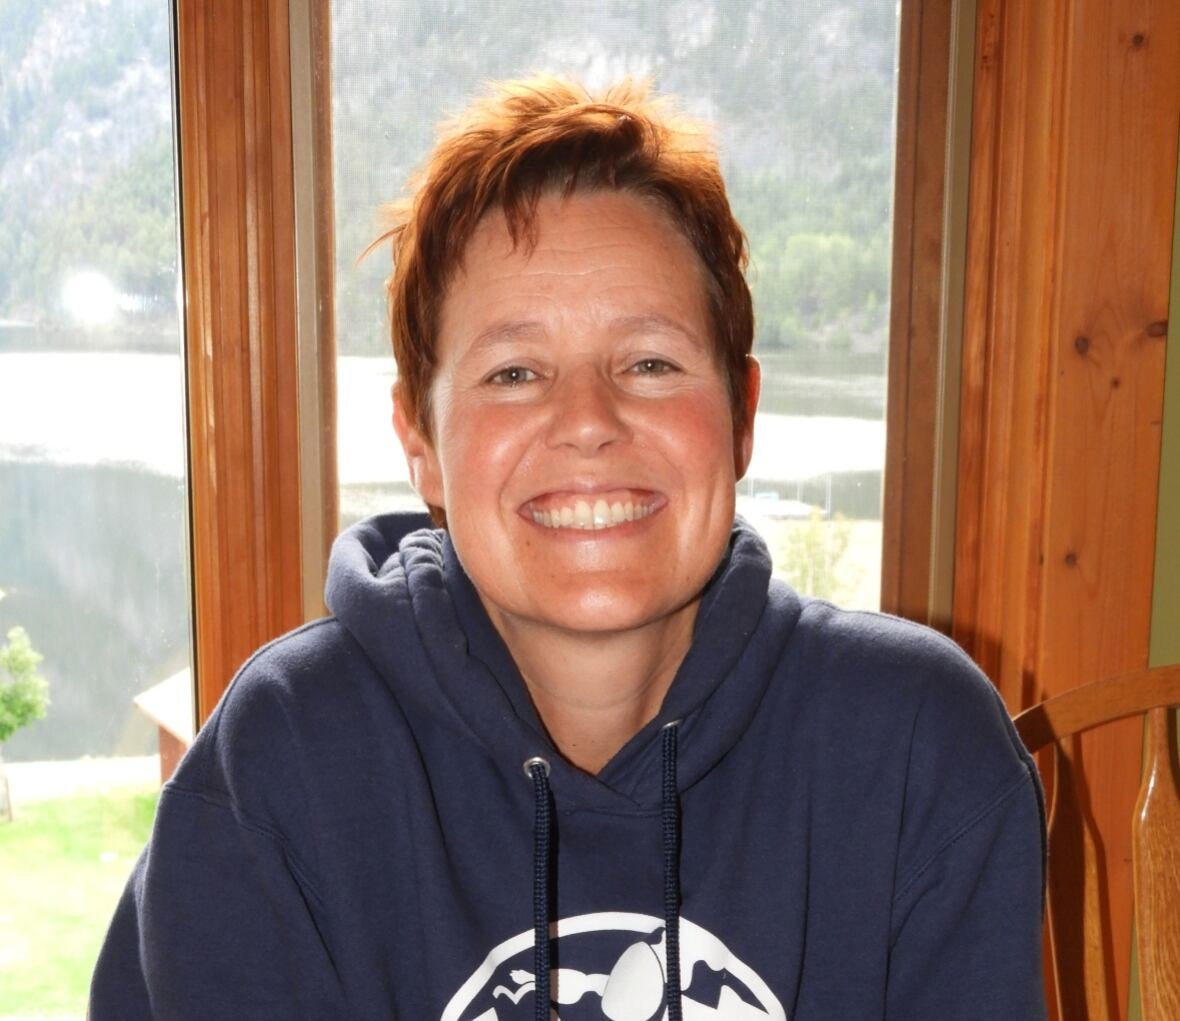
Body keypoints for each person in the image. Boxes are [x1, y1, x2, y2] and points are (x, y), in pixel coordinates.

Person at [90, 76, 1046, 1019]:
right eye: (514, 372)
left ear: (742, 413)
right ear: (419, 442)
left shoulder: (920, 746)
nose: (588, 420)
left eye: (650, 362)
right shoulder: (280, 763)